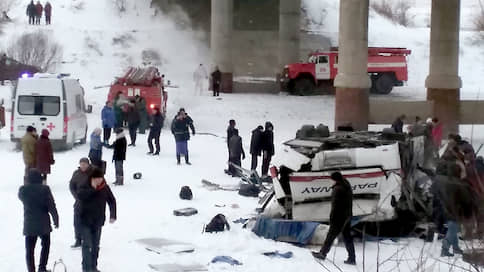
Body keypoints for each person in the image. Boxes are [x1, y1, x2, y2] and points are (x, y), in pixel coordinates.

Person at [19, 169, 59, 272]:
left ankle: (31, 270)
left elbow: (21, 197)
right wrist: (56, 218)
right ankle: (42, 267)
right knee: (45, 245)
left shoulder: (23, 190)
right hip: (43, 224)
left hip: (29, 224)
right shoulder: (45, 189)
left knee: (29, 249)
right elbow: (51, 205)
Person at [78, 167, 116, 272]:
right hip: (85, 220)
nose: (99, 181)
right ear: (92, 178)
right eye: (97, 179)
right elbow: (80, 196)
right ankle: (86, 268)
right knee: (86, 245)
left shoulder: (104, 187)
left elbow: (112, 201)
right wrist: (92, 189)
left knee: (95, 246)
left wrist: (113, 215)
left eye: (100, 178)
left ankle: (93, 267)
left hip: (98, 221)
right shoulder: (84, 186)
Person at [312, 172, 356, 265]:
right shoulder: (346, 184)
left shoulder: (337, 189)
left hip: (339, 218)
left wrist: (332, 218)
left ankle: (322, 253)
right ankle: (352, 258)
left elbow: (335, 206)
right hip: (347, 215)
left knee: (330, 236)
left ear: (335, 180)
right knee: (347, 237)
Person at [69, 157, 92, 248]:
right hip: (79, 201)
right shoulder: (76, 173)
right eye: (81, 164)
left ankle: (90, 240)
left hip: (90, 202)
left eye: (84, 164)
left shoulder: (93, 173)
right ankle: (78, 239)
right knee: (77, 222)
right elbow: (71, 186)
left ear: (88, 164)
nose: (83, 166)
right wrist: (76, 196)